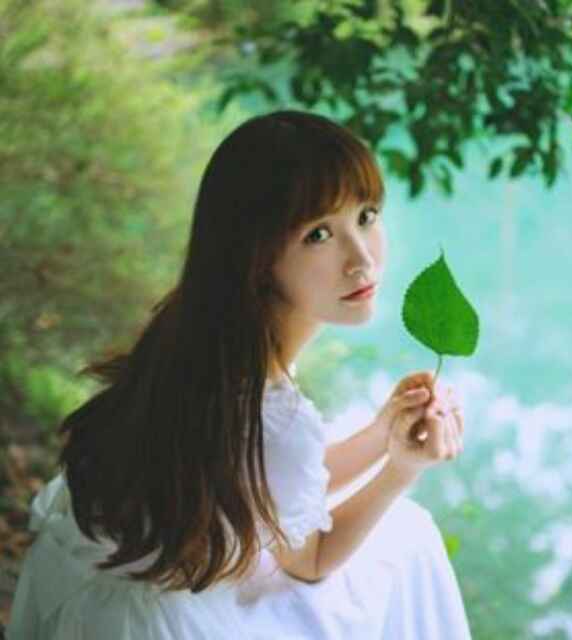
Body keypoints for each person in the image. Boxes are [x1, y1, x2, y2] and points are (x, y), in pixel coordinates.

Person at [6, 110, 472, 639]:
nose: (361, 259)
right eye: (319, 234)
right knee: (409, 538)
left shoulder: (207, 333)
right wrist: (401, 472)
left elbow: (266, 481)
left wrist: (383, 435)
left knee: (401, 537)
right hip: (165, 620)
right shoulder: (265, 404)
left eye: (366, 216)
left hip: (110, 584)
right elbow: (311, 559)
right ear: (258, 254)